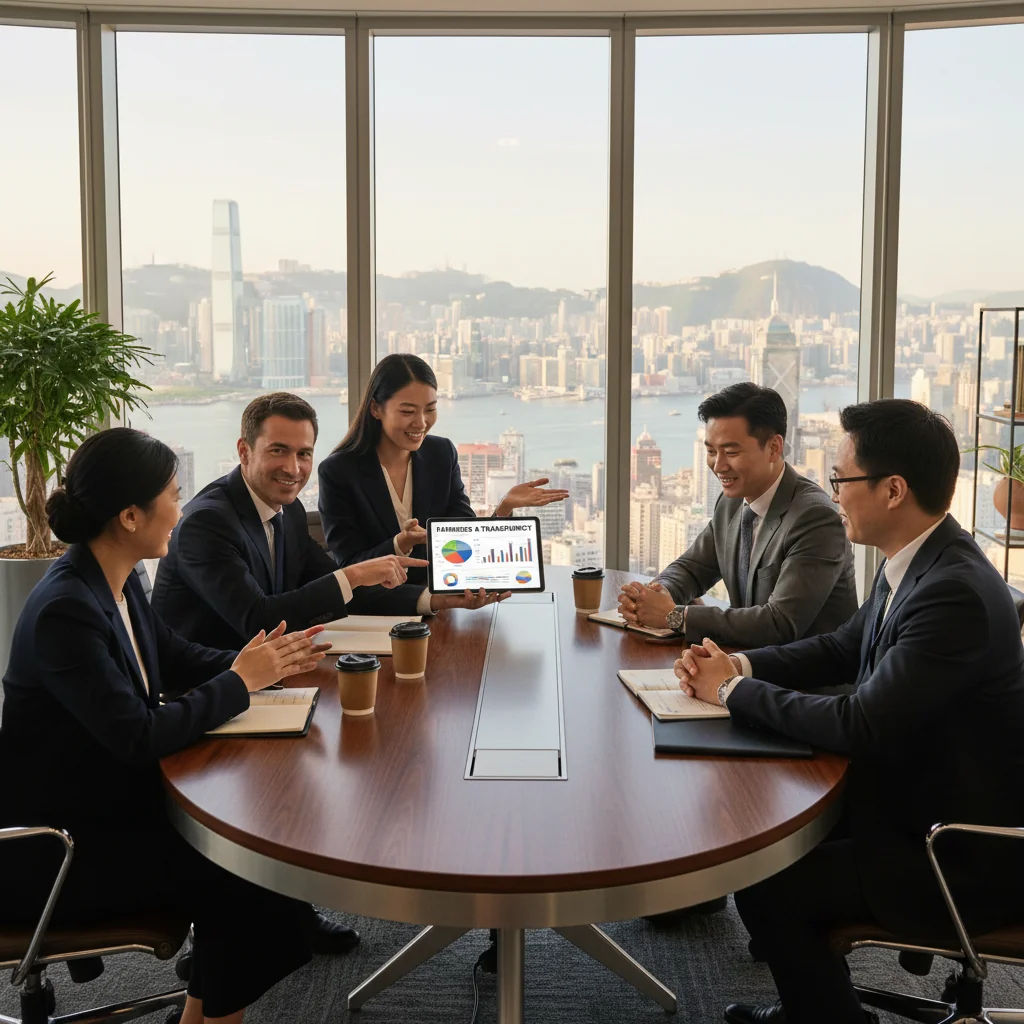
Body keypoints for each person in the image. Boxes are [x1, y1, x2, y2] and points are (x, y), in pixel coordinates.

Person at [673, 399, 1024, 1024]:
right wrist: (738, 665)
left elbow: (862, 724)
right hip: (905, 797)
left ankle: (825, 1016)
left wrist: (728, 692)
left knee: (769, 875)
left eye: (842, 480)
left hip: (951, 848)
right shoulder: (919, 560)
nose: (833, 492)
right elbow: (840, 647)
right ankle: (816, 1005)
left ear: (893, 490)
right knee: (759, 834)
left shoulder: (953, 594)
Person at [0, 428, 332, 1024]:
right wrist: (240, 683)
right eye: (173, 497)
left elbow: (172, 653)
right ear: (130, 515)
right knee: (250, 876)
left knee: (250, 863)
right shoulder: (65, 611)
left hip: (113, 809)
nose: (182, 510)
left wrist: (261, 664)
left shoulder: (116, 578)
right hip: (62, 850)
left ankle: (202, 1016)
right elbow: (138, 735)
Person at [153, 392, 427, 952]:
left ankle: (285, 917)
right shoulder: (209, 522)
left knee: (351, 746)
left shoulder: (287, 513)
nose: (294, 467)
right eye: (279, 450)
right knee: (315, 768)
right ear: (243, 449)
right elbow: (252, 618)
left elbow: (333, 587)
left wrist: (430, 604)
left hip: (271, 675)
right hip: (204, 693)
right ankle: (233, 940)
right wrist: (352, 579)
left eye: (304, 454)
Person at [317, 353, 569, 614]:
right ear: (376, 409)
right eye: (407, 411)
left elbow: (464, 539)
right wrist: (399, 544)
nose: (421, 423)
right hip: (376, 615)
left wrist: (503, 508)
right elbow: (349, 567)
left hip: (442, 612)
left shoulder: (441, 453)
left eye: (430, 409)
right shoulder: (338, 472)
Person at [618, 381, 857, 649]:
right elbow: (693, 568)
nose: (718, 466)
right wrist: (655, 594)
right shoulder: (732, 502)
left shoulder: (815, 518)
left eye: (731, 452)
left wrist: (674, 616)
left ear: (774, 448)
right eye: (710, 451)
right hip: (742, 666)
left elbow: (779, 624)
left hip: (803, 685)